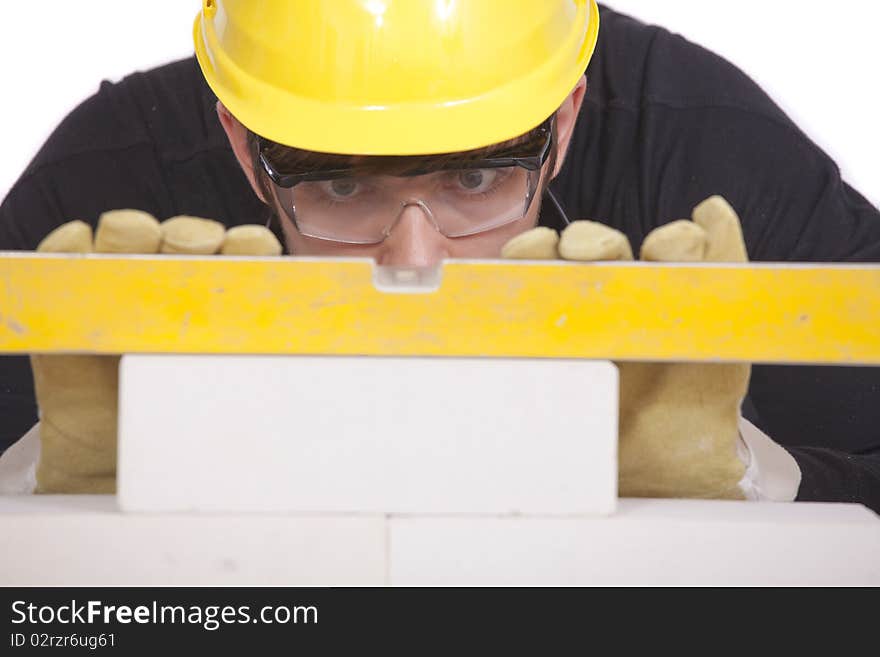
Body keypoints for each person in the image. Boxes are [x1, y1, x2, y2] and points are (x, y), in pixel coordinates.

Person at [0, 2, 878, 509]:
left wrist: (752, 480)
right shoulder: (104, 187)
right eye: (342, 190)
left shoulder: (704, 154)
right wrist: (55, 489)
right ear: (239, 141)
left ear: (564, 119)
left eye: (477, 178)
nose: (414, 261)